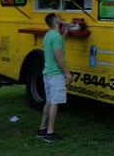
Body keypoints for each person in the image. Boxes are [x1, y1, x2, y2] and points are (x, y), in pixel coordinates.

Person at [36, 13, 72, 142]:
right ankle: (50, 133)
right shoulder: (55, 36)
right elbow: (58, 56)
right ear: (56, 22)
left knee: (49, 101)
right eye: (59, 18)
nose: (61, 19)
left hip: (47, 73)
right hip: (55, 74)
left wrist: (65, 33)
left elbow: (58, 45)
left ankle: (41, 130)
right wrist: (67, 72)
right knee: (54, 103)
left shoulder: (49, 34)